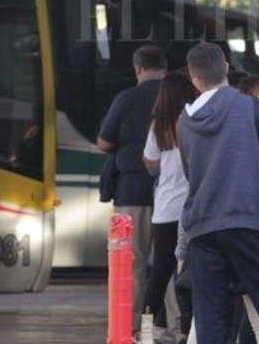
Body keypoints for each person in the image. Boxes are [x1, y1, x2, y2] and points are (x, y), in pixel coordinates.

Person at [176, 43, 259, 343]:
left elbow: (191, 176)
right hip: (248, 220)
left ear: (194, 78)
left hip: (202, 226)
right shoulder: (253, 107)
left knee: (210, 318)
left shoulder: (184, 121)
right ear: (226, 67)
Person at [97, 45, 167, 325]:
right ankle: (174, 324)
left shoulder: (126, 98)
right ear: (165, 67)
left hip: (131, 192)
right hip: (171, 195)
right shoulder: (179, 97)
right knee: (171, 264)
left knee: (132, 263)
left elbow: (104, 142)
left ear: (138, 68)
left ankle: (130, 324)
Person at [143, 72, 199, 344]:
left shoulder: (159, 126)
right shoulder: (195, 122)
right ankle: (186, 330)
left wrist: (164, 171)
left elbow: (149, 161)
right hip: (191, 208)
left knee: (160, 271)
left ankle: (146, 328)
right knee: (187, 270)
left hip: (165, 207)